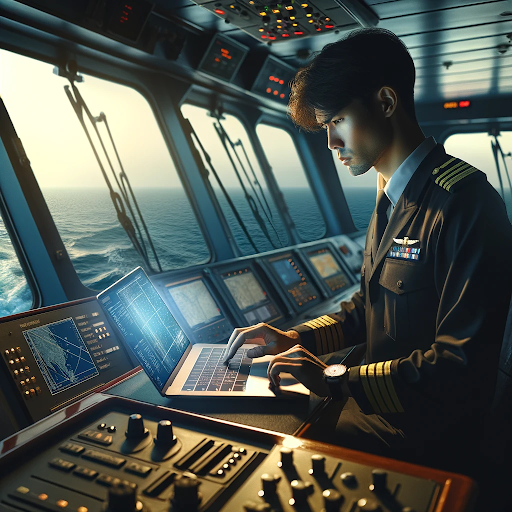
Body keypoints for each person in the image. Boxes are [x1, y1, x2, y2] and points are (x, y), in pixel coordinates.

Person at [223, 28, 512, 469]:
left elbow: (459, 367)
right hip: (382, 412)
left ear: (386, 103)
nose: (331, 143)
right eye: (325, 127)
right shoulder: (392, 195)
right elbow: (366, 309)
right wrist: (296, 337)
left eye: (337, 121)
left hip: (423, 438)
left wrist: (334, 379)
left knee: (254, 448)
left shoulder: (465, 203)